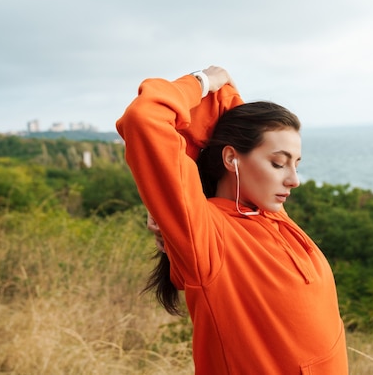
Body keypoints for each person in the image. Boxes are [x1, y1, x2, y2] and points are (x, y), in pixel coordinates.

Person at [116, 66, 348, 374]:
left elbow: (228, 115)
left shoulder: (271, 215)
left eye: (296, 163)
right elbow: (145, 118)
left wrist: (225, 89)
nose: (294, 180)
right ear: (231, 159)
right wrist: (204, 81)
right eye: (278, 163)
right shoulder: (209, 234)